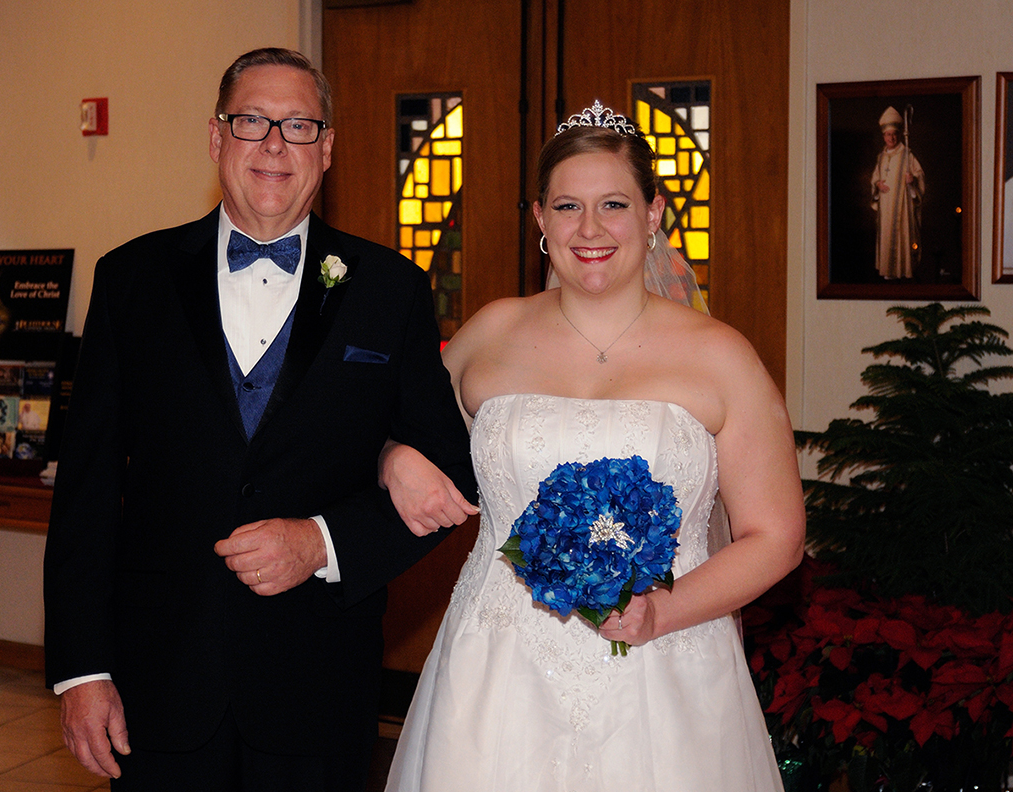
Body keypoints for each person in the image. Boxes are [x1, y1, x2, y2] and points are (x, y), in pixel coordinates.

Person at [42, 47, 474, 791]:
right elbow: (85, 494)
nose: (275, 145)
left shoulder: (389, 291)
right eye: (253, 122)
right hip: (161, 683)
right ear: (216, 139)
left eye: (299, 125)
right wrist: (81, 670)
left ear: (328, 148)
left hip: (317, 687)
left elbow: (451, 476)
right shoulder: (129, 281)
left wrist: (322, 542)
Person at [379, 102, 806, 790]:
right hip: (496, 668)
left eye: (613, 203)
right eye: (567, 206)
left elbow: (776, 535)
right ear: (541, 219)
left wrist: (662, 609)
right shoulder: (490, 334)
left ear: (653, 213)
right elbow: (396, 430)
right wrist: (393, 456)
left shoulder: (721, 356)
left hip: (666, 661)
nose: (591, 229)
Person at [871, 105, 925, 279]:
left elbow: (919, 174)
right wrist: (877, 185)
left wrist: (913, 181)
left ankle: (904, 271)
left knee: (903, 236)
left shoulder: (907, 154)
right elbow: (874, 179)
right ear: (883, 136)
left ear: (899, 134)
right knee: (887, 237)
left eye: (894, 134)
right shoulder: (881, 158)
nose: (891, 137)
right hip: (886, 207)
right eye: (888, 134)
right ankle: (888, 272)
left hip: (902, 206)